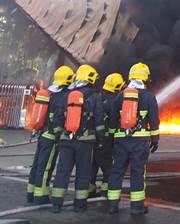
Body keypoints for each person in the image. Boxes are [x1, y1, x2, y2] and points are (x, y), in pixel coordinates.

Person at [50, 64, 104, 213]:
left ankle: (56, 203)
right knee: (83, 172)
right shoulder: (95, 97)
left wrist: (60, 135)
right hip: (85, 143)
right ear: (90, 79)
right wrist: (100, 140)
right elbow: (99, 122)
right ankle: (79, 205)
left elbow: (57, 119)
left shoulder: (66, 95)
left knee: (62, 171)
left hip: (66, 141)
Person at [107, 62, 159, 216]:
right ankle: (137, 207)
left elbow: (113, 119)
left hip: (121, 140)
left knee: (117, 171)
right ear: (145, 78)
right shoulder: (149, 97)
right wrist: (155, 139)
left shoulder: (120, 96)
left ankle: (112, 205)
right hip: (139, 142)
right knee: (138, 172)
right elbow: (154, 120)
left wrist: (111, 136)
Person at [26, 65, 75, 205]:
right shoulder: (64, 96)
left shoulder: (48, 93)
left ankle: (31, 193)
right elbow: (62, 116)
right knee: (46, 166)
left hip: (43, 134)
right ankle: (40, 196)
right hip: (53, 136)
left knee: (36, 165)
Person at [89, 72, 125, 199]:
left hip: (92, 138)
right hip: (106, 139)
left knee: (93, 165)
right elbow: (115, 121)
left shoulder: (97, 97)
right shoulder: (113, 102)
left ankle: (90, 189)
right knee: (108, 165)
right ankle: (106, 189)